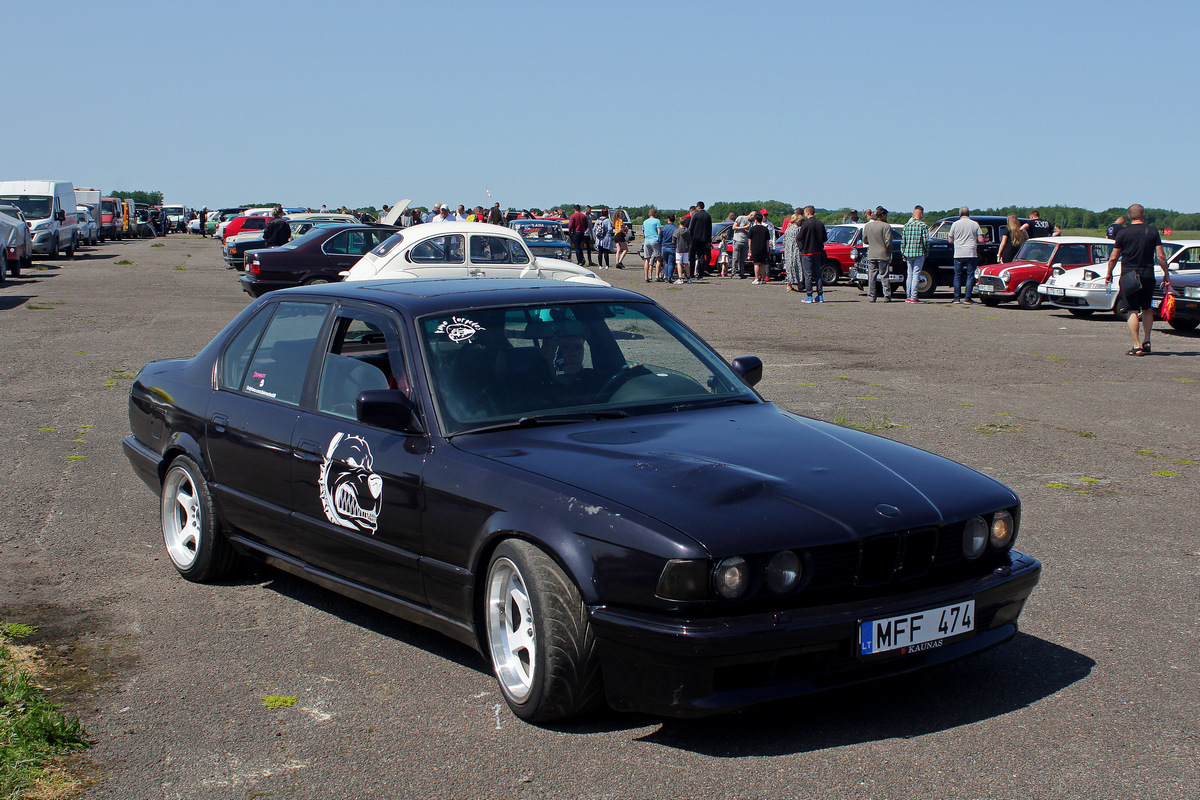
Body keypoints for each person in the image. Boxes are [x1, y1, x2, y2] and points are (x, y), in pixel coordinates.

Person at [1105, 204, 1170, 356]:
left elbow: (1114, 256)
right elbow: (1161, 256)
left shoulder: (1122, 233)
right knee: (1147, 307)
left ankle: (1136, 345)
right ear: (1143, 215)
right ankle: (1147, 340)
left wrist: (1109, 272)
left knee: (1132, 309)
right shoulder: (1153, 231)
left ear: (1129, 216)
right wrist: (1166, 274)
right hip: (1147, 273)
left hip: (1129, 274)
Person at [949, 206, 984, 304]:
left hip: (958, 253)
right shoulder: (974, 224)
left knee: (957, 276)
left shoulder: (955, 224)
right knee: (970, 275)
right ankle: (967, 297)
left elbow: (950, 239)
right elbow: (981, 239)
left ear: (960, 214)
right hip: (971, 252)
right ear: (969, 214)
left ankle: (957, 298)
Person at [862, 207, 894, 302]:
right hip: (883, 254)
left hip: (872, 253)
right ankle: (887, 295)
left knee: (872, 276)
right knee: (884, 275)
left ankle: (871, 296)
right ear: (883, 215)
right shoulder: (886, 226)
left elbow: (864, 239)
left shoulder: (868, 226)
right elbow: (888, 242)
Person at [901, 205, 930, 303]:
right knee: (916, 274)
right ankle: (914, 296)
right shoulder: (923, 226)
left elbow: (903, 241)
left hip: (908, 252)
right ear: (921, 214)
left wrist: (903, 253)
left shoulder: (907, 225)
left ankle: (908, 296)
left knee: (909, 274)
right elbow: (925, 241)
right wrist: (926, 251)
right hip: (919, 252)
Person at [797, 206, 827, 301]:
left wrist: (801, 248)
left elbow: (799, 237)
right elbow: (825, 238)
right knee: (817, 274)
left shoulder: (805, 224)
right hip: (818, 252)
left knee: (808, 274)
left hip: (807, 252)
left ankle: (809, 295)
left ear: (808, 213)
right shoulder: (820, 223)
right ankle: (820, 295)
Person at [688, 201, 713, 280]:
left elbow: (691, 228)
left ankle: (691, 274)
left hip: (694, 239)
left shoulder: (695, 215)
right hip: (704, 240)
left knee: (692, 257)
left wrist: (689, 238)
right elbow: (710, 229)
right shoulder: (708, 216)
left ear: (698, 207)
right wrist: (709, 241)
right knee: (701, 257)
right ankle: (700, 274)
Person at [782, 208, 803, 292]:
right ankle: (799, 284)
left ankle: (790, 284)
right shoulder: (798, 229)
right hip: (796, 249)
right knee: (797, 266)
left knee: (790, 267)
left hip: (788, 250)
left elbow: (784, 241)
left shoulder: (788, 229)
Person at [748, 212, 771, 284]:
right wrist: (767, 250)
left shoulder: (752, 229)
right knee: (763, 264)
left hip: (755, 248)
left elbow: (750, 240)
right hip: (763, 248)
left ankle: (757, 279)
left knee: (756, 263)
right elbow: (767, 241)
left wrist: (750, 249)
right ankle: (763, 279)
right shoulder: (765, 229)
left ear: (755, 220)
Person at [641, 209, 662, 283]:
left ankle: (646, 276)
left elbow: (643, 232)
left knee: (647, 259)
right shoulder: (657, 221)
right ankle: (657, 276)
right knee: (658, 259)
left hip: (647, 241)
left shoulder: (645, 222)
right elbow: (659, 231)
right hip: (655, 240)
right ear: (655, 214)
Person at [729, 210, 750, 279]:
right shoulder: (740, 218)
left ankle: (741, 272)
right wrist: (744, 227)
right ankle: (733, 272)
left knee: (743, 258)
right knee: (735, 257)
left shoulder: (750, 222)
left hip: (745, 241)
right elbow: (734, 227)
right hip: (737, 240)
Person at [658, 215, 678, 282]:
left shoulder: (664, 228)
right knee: (671, 263)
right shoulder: (676, 228)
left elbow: (660, 238)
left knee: (665, 262)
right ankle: (669, 277)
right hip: (672, 246)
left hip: (664, 246)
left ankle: (666, 277)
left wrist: (661, 244)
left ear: (668, 219)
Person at [673, 217, 691, 283]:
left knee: (679, 263)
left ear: (679, 222)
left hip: (679, 249)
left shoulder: (676, 231)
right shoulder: (688, 231)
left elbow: (673, 240)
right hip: (686, 249)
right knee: (686, 263)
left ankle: (680, 278)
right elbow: (690, 241)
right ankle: (688, 277)